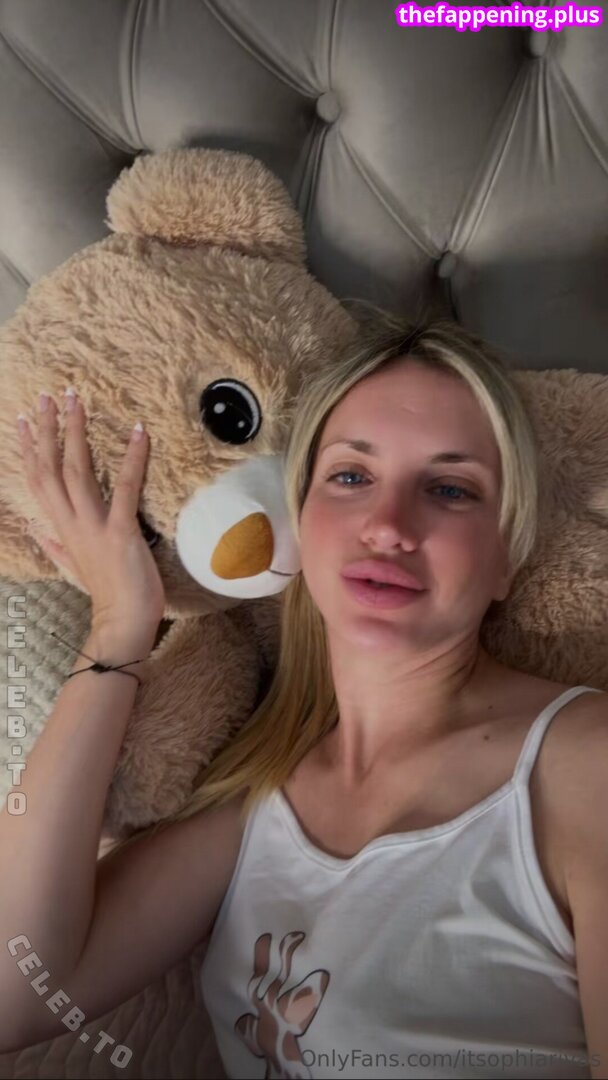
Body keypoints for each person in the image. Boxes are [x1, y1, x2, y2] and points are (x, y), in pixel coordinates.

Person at [0, 311, 606, 1080]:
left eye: (450, 489)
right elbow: (19, 994)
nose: (387, 526)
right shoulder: (253, 798)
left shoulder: (583, 766)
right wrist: (120, 624)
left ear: (504, 561)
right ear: (300, 521)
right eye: (351, 477)